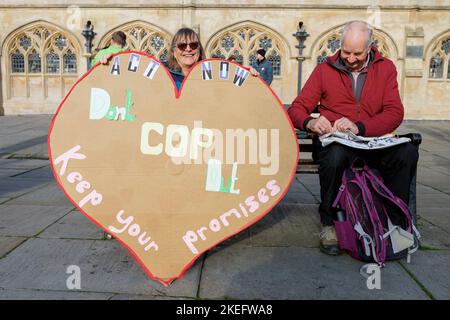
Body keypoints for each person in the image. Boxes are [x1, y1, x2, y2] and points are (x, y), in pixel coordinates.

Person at [287, 21, 419, 256]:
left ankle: (396, 224)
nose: (350, 58)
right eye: (346, 52)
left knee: (407, 153)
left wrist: (359, 127)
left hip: (371, 140)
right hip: (336, 143)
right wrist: (311, 122)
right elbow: (297, 108)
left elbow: (394, 113)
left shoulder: (386, 68)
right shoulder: (324, 70)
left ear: (370, 47)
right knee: (335, 157)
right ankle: (330, 224)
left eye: (357, 53)